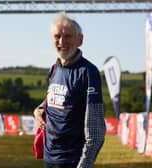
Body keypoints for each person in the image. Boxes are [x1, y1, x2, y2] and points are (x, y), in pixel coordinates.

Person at [33, 12, 106, 168]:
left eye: (68, 36)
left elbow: (96, 129)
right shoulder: (54, 68)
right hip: (49, 159)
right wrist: (39, 110)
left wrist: (85, 164)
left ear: (80, 40)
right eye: (57, 36)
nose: (61, 41)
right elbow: (54, 99)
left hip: (73, 161)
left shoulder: (89, 72)